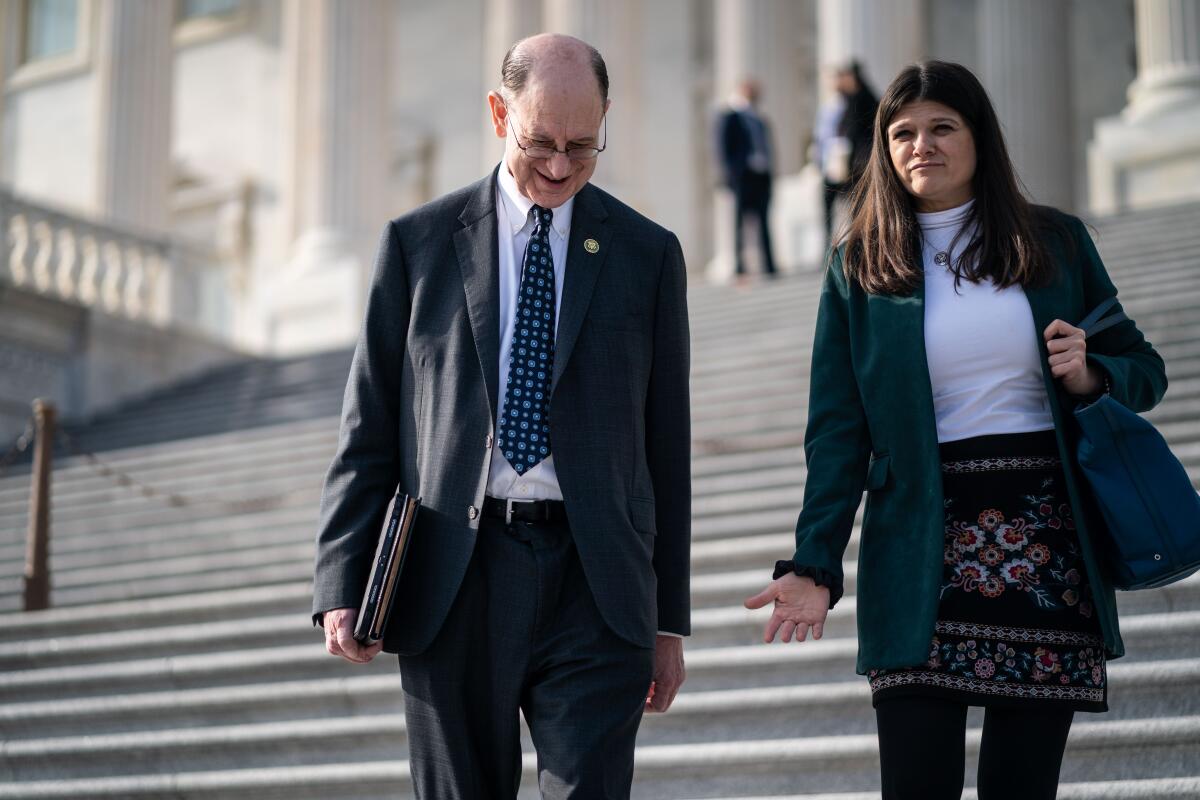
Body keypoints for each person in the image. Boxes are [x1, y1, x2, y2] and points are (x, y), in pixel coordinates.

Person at [744, 61, 1166, 800]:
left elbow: (1144, 369)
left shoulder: (1056, 243)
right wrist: (813, 562)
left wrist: (1092, 372)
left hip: (1047, 543)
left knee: (1020, 788)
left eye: (943, 127)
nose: (921, 146)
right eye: (902, 133)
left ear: (979, 138)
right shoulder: (861, 265)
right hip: (918, 550)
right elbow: (837, 430)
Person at [311, 33, 691, 799]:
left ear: (606, 119)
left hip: (597, 584)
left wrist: (668, 618)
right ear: (497, 113)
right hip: (455, 574)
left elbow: (666, 449)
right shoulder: (416, 246)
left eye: (583, 147)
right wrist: (340, 576)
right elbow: (371, 425)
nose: (558, 167)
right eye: (539, 142)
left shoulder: (647, 255)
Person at [718, 79, 777, 279]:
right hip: (742, 178)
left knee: (764, 221)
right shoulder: (730, 117)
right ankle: (739, 265)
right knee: (739, 224)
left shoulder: (760, 119)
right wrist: (730, 177)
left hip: (761, 176)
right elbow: (723, 149)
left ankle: (769, 265)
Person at [816, 61, 879, 245]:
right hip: (839, 162)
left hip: (858, 163)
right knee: (830, 200)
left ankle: (857, 243)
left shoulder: (863, 99)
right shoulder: (838, 104)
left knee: (857, 205)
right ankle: (831, 243)